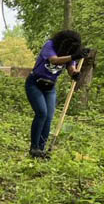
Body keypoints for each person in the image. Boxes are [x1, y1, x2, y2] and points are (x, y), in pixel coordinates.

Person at [25, 30, 86, 159]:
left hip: (50, 87)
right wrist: (73, 56)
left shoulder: (70, 54)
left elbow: (71, 69)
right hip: (34, 83)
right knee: (42, 112)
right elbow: (54, 60)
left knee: (49, 117)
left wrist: (75, 73)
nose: (68, 50)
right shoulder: (50, 45)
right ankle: (34, 148)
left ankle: (41, 150)